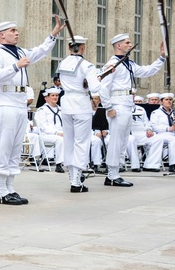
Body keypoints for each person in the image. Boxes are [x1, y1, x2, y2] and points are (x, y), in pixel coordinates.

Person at [0, 17, 63, 204]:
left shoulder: (19, 51)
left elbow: (39, 52)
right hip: (6, 102)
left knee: (15, 147)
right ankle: (0, 190)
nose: (16, 33)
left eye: (16, 30)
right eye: (12, 30)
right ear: (1, 35)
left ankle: (10, 187)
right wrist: (15, 66)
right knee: (5, 146)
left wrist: (53, 35)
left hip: (20, 103)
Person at [98, 33, 167, 187]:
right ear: (118, 45)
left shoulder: (128, 63)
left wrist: (161, 58)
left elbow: (147, 71)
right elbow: (103, 88)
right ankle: (112, 174)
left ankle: (115, 173)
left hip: (127, 104)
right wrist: (108, 107)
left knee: (123, 141)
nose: (130, 45)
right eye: (127, 43)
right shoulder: (112, 64)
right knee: (117, 141)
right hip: (117, 104)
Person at [55, 35, 101, 191]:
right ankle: (76, 181)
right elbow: (95, 88)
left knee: (69, 141)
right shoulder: (87, 66)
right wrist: (99, 78)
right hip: (81, 104)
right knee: (81, 142)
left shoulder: (62, 64)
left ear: (69, 47)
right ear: (83, 47)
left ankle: (71, 175)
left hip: (66, 103)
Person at [33, 87, 66, 172]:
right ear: (46, 98)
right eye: (52, 95)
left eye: (57, 95)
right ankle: (59, 164)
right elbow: (43, 126)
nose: (55, 97)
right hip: (47, 135)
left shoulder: (61, 109)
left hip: (61, 133)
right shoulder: (42, 110)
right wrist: (56, 133)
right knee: (60, 140)